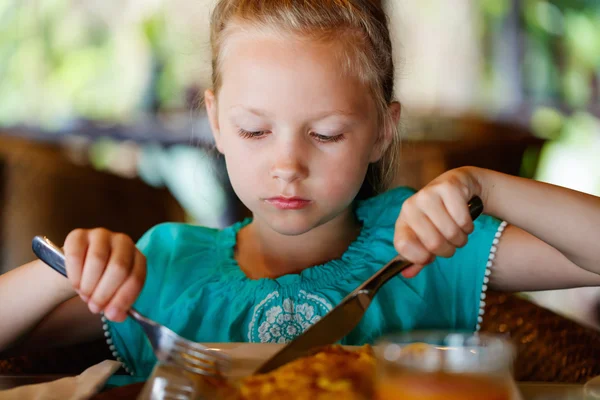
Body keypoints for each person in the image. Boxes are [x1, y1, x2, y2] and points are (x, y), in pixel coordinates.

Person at [1, 0, 599, 382]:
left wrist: (486, 188)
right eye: (254, 130)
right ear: (215, 124)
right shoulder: (165, 269)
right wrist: (68, 270)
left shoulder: (418, 249)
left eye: (326, 133)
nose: (287, 164)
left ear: (382, 131)